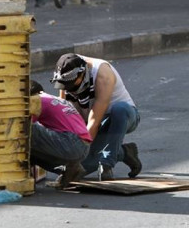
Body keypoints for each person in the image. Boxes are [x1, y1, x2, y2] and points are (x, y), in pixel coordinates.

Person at [50, 53, 141, 181]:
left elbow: (94, 122)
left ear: (82, 74)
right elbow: (65, 112)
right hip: (88, 124)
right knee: (62, 168)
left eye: (71, 85)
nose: (68, 90)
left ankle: (107, 163)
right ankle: (124, 152)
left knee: (120, 109)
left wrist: (78, 156)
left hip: (119, 119)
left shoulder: (103, 74)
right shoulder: (66, 69)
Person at [28, 81, 91, 189]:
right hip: (82, 145)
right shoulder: (52, 99)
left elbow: (23, 126)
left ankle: (24, 176)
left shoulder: (36, 100)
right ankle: (69, 170)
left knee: (25, 130)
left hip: (71, 142)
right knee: (32, 150)